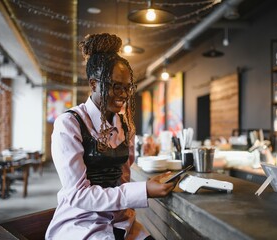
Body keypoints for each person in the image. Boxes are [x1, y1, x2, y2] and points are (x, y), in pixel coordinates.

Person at [45, 33, 179, 240]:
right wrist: (143, 190)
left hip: (121, 223)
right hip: (81, 224)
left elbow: (122, 180)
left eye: (127, 87)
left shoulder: (125, 125)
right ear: (93, 84)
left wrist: (148, 185)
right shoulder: (69, 124)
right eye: (116, 86)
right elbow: (78, 195)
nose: (124, 94)